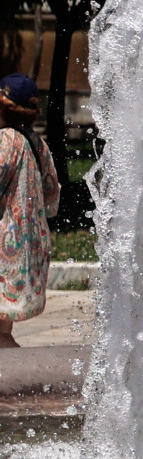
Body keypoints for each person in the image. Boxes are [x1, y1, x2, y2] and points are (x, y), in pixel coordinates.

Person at [0, 75, 61, 348]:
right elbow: (52, 195)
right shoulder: (37, 143)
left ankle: (14, 385)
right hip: (28, 246)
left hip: (4, 248)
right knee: (1, 332)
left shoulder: (6, 141)